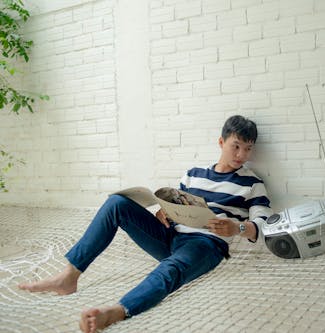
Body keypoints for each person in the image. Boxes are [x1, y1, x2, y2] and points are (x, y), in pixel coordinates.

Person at [18, 115, 273, 333]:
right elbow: (176, 203)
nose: (241, 155)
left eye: (248, 149)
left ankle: (118, 310)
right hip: (171, 236)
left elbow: (263, 225)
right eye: (236, 146)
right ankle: (68, 277)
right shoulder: (193, 174)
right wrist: (165, 212)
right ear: (221, 142)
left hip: (206, 245)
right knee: (116, 204)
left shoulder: (252, 183)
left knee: (171, 268)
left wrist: (237, 228)